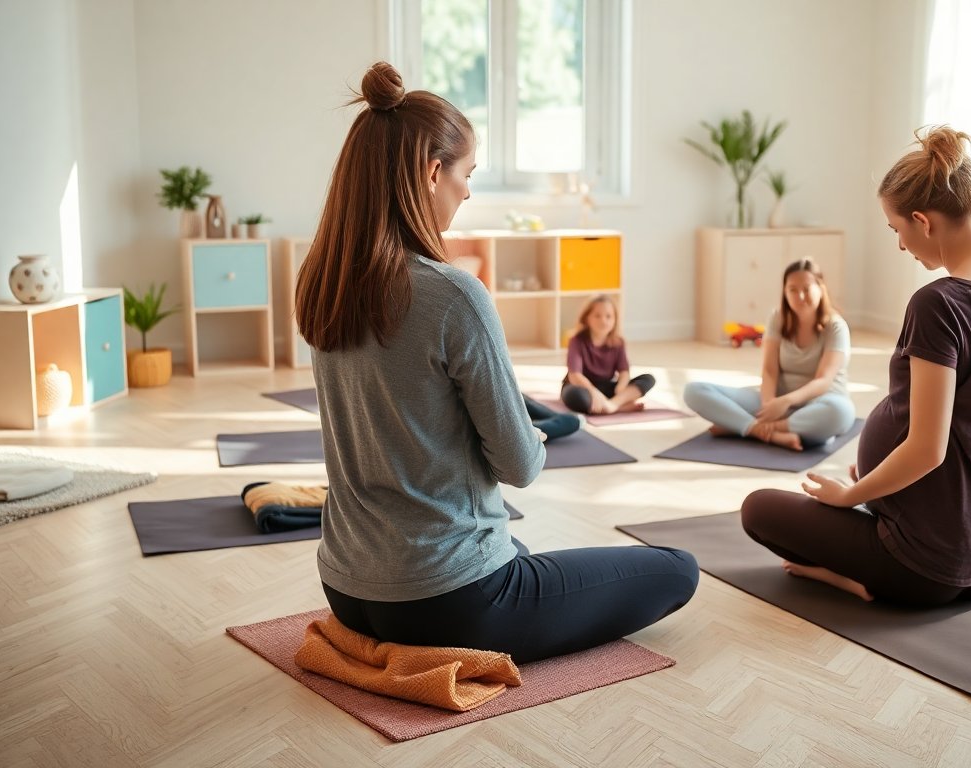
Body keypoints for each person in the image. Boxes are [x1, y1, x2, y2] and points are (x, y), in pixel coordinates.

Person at [295, 61, 697, 664]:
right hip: (449, 600)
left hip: (347, 586)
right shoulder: (453, 295)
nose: (467, 191)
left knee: (532, 554)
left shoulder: (324, 282)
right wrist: (526, 434)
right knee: (677, 569)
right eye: (466, 175)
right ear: (433, 173)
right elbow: (520, 466)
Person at [740, 125, 971, 606]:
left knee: (757, 509)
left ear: (923, 221)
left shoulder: (941, 303)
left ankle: (858, 581)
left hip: (924, 566)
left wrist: (852, 495)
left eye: (897, 230)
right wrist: (877, 486)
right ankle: (877, 541)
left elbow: (927, 451)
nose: (901, 245)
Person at [683, 259, 856, 451]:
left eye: (807, 289)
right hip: (777, 402)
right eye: (792, 289)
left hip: (820, 401)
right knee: (693, 391)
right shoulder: (778, 318)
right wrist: (768, 405)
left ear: (820, 288)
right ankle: (771, 433)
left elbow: (823, 380)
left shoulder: (836, 326)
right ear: (785, 292)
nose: (800, 295)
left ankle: (745, 427)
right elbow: (769, 370)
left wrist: (785, 403)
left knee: (840, 413)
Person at [561, 295, 656, 414]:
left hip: (607, 386)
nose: (603, 321)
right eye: (597, 316)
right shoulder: (576, 341)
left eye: (608, 316)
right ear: (587, 318)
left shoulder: (618, 342)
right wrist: (593, 392)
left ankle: (612, 405)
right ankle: (620, 407)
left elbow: (624, 372)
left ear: (615, 319)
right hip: (583, 387)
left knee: (648, 379)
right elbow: (575, 376)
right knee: (574, 396)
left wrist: (620, 389)